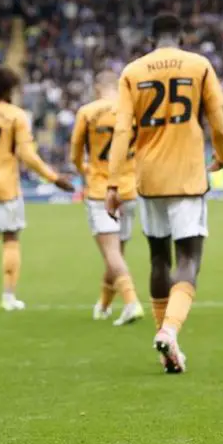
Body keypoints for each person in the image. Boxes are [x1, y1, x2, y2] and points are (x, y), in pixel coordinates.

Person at [106, 13, 223, 373]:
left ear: (151, 40)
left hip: (149, 178)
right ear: (181, 37)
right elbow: (219, 123)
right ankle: (170, 331)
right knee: (189, 258)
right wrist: (221, 155)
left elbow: (122, 131)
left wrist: (113, 184)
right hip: (188, 177)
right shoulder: (199, 65)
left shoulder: (133, 71)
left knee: (159, 259)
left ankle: (165, 347)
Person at [0, 66, 73, 311]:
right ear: (7, 90)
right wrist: (54, 178)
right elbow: (27, 156)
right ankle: (9, 297)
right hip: (6, 186)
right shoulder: (16, 115)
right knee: (11, 238)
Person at [70, 71, 143, 326]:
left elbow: (75, 153)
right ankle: (103, 305)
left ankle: (131, 302)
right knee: (117, 253)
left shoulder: (88, 112)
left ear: (97, 88)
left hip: (101, 189)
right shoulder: (133, 111)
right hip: (129, 189)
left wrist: (84, 170)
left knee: (111, 253)